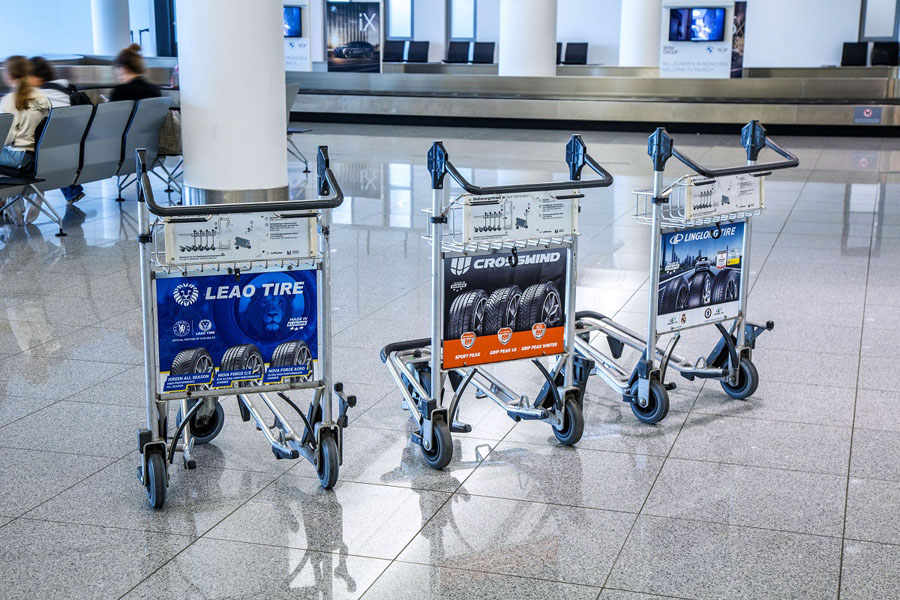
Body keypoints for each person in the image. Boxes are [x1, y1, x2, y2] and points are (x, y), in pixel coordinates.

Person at [0, 55, 51, 224]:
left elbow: (7, 138)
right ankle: (21, 210)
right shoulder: (41, 97)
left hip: (18, 158)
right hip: (38, 157)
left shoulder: (9, 100)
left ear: (9, 75)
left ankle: (13, 210)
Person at [29, 56, 85, 203]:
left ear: (36, 76)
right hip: (76, 146)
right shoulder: (67, 89)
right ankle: (72, 191)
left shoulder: (37, 96)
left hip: (50, 152)